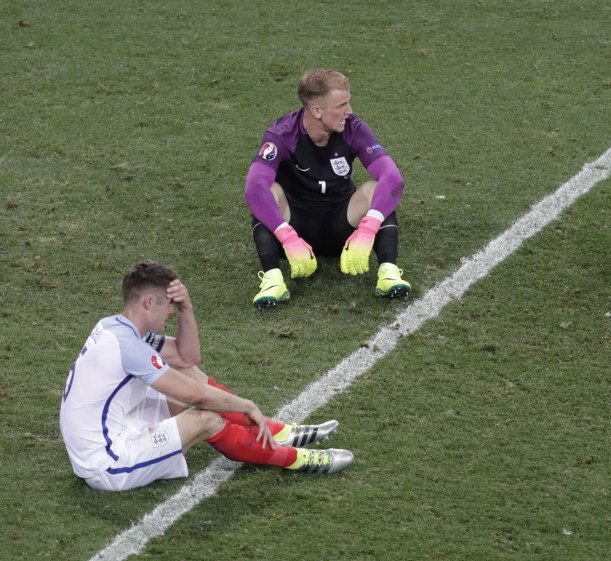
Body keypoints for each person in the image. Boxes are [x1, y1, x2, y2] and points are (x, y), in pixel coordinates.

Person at [59, 261, 353, 491]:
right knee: (206, 420)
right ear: (148, 302)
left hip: (120, 427)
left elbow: (187, 358)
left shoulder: (116, 327)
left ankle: (282, 433)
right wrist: (247, 405)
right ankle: (296, 459)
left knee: (187, 372)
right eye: (169, 303)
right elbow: (194, 397)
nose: (171, 311)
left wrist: (188, 308)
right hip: (107, 464)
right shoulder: (129, 346)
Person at [245, 68, 410, 309]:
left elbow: (392, 179)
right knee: (269, 192)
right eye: (341, 105)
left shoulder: (354, 128)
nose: (349, 111)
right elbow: (254, 187)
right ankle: (272, 280)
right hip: (295, 228)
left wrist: (368, 229)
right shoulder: (282, 134)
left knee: (376, 189)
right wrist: (288, 238)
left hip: (343, 224)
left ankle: (388, 272)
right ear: (316, 110)